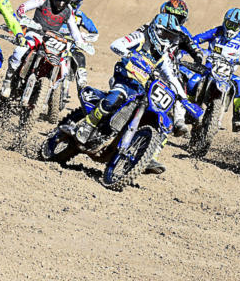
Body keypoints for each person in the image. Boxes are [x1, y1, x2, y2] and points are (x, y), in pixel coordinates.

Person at [68, 12, 189, 169]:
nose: (167, 40)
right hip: (125, 79)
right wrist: (130, 54)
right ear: (156, 30)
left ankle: (148, 155)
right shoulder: (141, 37)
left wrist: (183, 97)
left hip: (141, 89)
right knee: (116, 98)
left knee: (159, 119)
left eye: (171, 37)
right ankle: (88, 125)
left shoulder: (162, 56)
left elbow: (171, 77)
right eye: (165, 35)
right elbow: (116, 44)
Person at [1, 0, 98, 103]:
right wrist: (25, 18)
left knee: (63, 67)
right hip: (36, 33)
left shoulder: (68, 11)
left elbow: (74, 30)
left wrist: (81, 43)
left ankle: (51, 93)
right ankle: (7, 81)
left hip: (54, 39)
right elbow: (22, 7)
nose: (62, 1)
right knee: (19, 51)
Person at [186, 7, 240, 132]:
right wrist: (197, 50)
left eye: (235, 26)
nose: (231, 29)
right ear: (225, 21)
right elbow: (195, 39)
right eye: (229, 24)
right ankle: (188, 109)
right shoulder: (216, 31)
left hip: (228, 73)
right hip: (209, 69)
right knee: (193, 81)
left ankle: (237, 116)